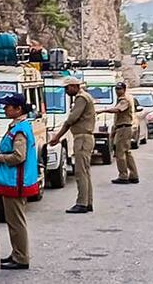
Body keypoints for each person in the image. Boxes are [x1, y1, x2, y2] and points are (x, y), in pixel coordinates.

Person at [0, 93, 39, 271]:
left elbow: (18, 156)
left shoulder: (20, 130)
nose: (4, 109)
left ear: (18, 109)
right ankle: (17, 253)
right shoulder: (19, 126)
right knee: (14, 221)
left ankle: (21, 257)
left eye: (7, 106)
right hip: (13, 180)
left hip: (16, 181)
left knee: (16, 221)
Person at [49, 77, 96, 214]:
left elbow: (71, 120)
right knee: (85, 172)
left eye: (67, 88)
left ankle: (82, 202)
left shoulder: (81, 98)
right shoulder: (85, 97)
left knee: (80, 172)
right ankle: (88, 202)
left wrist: (57, 137)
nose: (66, 91)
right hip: (85, 137)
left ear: (74, 86)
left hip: (82, 138)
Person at [97, 82, 140, 184]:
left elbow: (117, 110)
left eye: (119, 89)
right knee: (127, 152)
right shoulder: (122, 99)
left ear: (124, 89)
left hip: (124, 128)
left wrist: (103, 111)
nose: (117, 91)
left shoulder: (124, 100)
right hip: (122, 128)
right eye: (116, 89)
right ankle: (133, 175)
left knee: (120, 153)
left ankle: (123, 176)